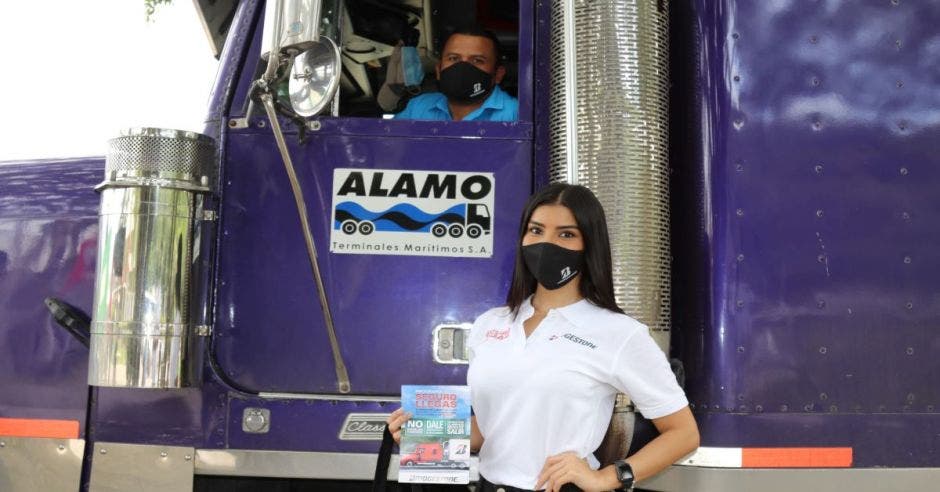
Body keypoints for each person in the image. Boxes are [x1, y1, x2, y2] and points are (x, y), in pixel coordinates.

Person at [387, 183, 699, 491]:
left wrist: (606, 478)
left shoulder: (619, 333)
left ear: (589, 245)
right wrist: (424, 434)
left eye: (566, 234)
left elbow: (683, 434)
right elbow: (488, 430)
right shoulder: (490, 324)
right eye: (536, 230)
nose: (546, 243)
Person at [393, 26, 518, 121]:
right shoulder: (418, 108)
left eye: (477, 60)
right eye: (453, 58)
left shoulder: (518, 114)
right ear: (438, 70)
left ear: (498, 74)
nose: (462, 67)